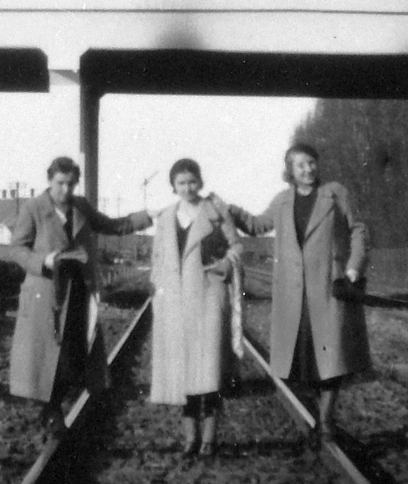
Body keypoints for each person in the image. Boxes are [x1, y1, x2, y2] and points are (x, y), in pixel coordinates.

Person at [227, 143, 370, 451]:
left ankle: (327, 422)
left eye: (311, 163)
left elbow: (358, 230)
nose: (308, 169)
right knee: (304, 360)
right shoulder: (282, 201)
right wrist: (228, 210)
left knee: (331, 359)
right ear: (289, 170)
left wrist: (353, 268)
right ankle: (318, 418)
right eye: (301, 165)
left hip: (329, 288)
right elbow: (256, 225)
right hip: (294, 293)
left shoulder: (335, 193)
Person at [0, 156, 151, 439]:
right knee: (50, 357)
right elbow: (17, 249)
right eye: (60, 183)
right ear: (49, 180)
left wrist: (148, 215)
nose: (65, 190)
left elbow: (113, 226)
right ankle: (52, 411)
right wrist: (44, 260)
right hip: (45, 292)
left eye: (71, 184)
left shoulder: (80, 207)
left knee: (73, 357)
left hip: (77, 292)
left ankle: (52, 407)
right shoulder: (33, 208)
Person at [148, 159, 242, 458]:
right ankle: (190, 437)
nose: (187, 188)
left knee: (210, 371)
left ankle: (210, 438)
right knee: (184, 374)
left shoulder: (215, 212)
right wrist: (159, 291)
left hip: (208, 299)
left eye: (192, 181)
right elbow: (157, 259)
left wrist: (227, 263)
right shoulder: (166, 218)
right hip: (176, 304)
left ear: (200, 182)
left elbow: (237, 246)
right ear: (173, 187)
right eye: (181, 183)